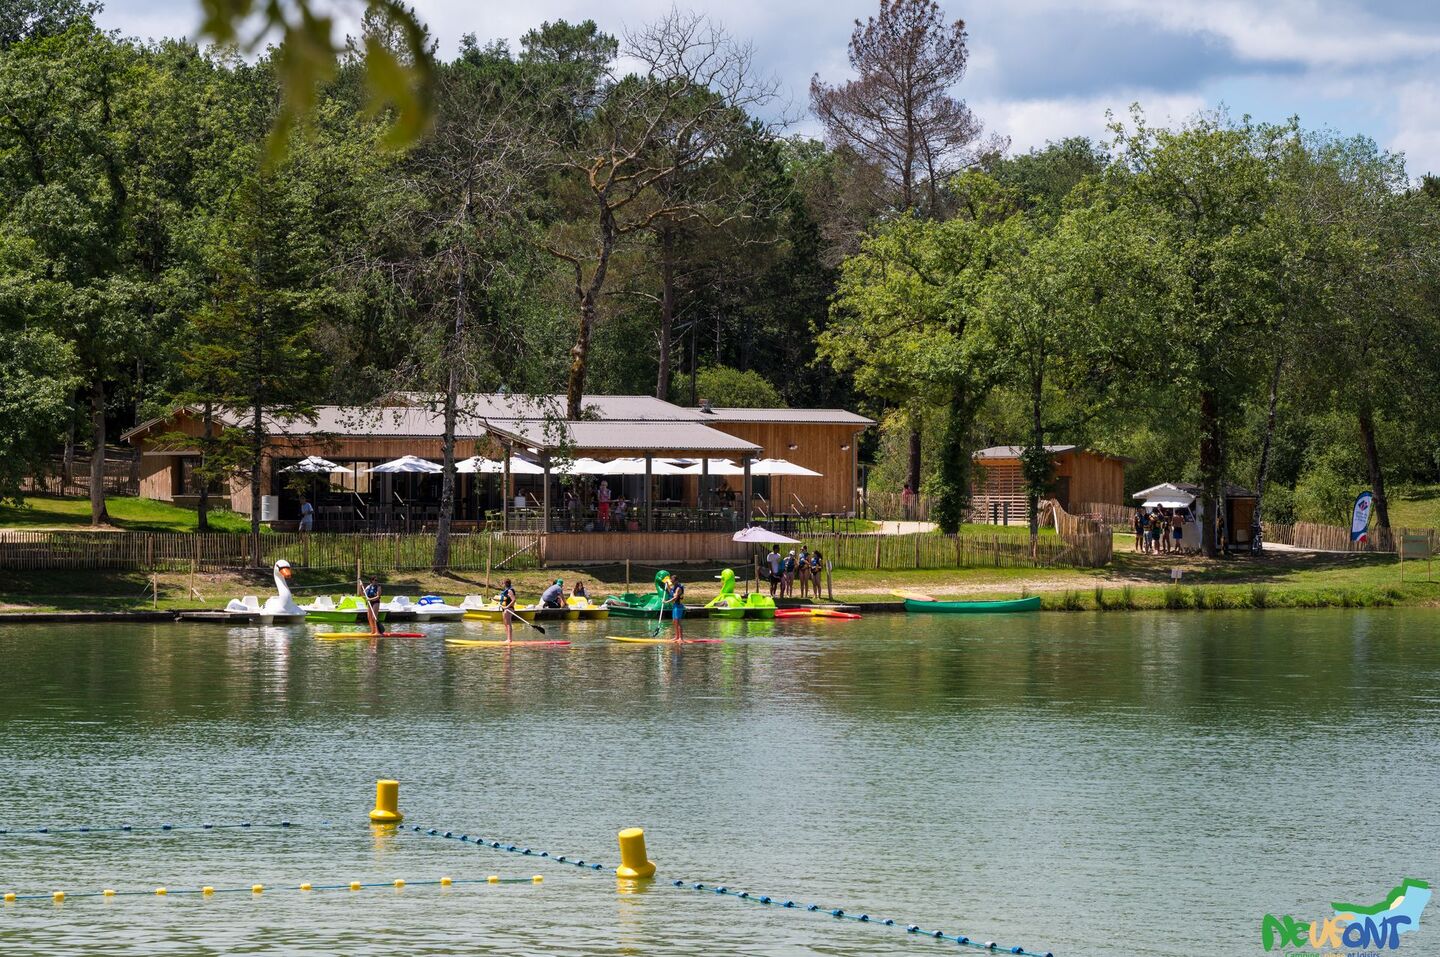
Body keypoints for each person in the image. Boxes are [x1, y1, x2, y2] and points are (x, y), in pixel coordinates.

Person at [662, 574, 686, 642]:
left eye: (672, 581)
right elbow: (670, 592)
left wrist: (666, 602)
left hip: (678, 606)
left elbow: (675, 598)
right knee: (674, 621)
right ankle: (676, 637)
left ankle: (681, 638)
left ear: (676, 581)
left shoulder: (678, 588)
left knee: (678, 622)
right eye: (671, 581)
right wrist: (667, 585)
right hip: (675, 606)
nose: (671, 582)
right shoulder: (674, 587)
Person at [497, 577, 517, 643]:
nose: (502, 584)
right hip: (505, 609)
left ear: (506, 583)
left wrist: (507, 607)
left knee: (508, 624)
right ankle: (507, 639)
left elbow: (514, 600)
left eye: (503, 583)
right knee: (505, 624)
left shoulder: (510, 590)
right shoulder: (506, 590)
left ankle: (509, 640)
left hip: (509, 609)